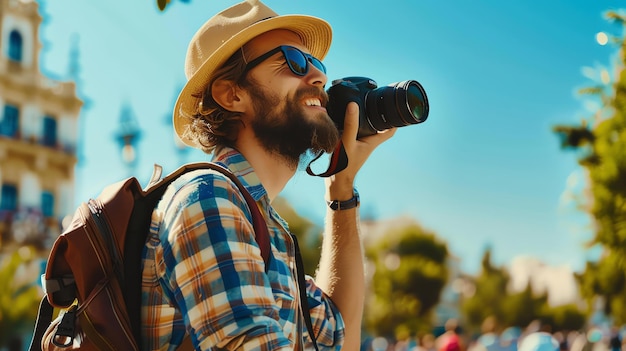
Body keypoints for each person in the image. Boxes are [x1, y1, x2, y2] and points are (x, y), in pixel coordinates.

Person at [140, 0, 396, 350]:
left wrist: (342, 187)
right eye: (293, 61)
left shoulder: (265, 228)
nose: (319, 77)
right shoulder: (210, 198)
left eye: (315, 63)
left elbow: (341, 340)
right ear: (232, 94)